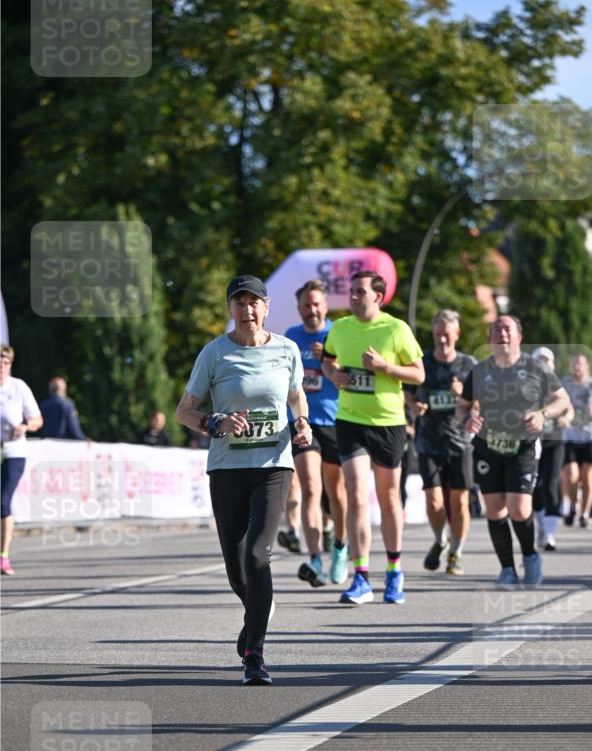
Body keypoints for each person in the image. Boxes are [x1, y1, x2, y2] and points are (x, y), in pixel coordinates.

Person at [175, 275, 311, 685]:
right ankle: (258, 607)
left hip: (273, 464)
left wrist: (302, 423)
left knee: (257, 557)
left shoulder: (287, 349)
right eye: (239, 303)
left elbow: (296, 395)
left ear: (266, 307)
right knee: (237, 571)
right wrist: (214, 422)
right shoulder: (214, 353)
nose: (247, 310)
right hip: (227, 468)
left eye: (254, 302)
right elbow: (185, 410)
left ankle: (255, 654)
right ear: (230, 309)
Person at [321, 270, 424, 605]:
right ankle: (361, 577)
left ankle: (394, 571)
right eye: (351, 291)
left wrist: (385, 367)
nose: (353, 296)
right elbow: (327, 360)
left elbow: (418, 372)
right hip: (350, 420)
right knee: (356, 497)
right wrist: (334, 374)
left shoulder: (395, 329)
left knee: (389, 498)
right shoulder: (341, 327)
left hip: (389, 422)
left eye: (360, 291)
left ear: (378, 297)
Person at [456, 315, 570, 588]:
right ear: (490, 338)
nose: (502, 334)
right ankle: (507, 568)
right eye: (496, 330)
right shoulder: (480, 371)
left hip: (523, 447)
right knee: (495, 510)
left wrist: (543, 415)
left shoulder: (536, 368)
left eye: (507, 329)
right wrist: (466, 420)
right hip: (488, 447)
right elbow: (462, 405)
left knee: (519, 508)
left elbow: (562, 400)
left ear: (519, 336)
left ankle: (530, 556)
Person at [285, 279, 348, 587]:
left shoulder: (339, 334)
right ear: (299, 308)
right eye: (306, 305)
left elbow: (350, 379)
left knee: (336, 493)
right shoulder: (291, 338)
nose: (312, 310)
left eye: (317, 304)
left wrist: (329, 361)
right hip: (302, 422)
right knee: (311, 487)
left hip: (335, 422)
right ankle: (314, 560)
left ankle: (339, 548)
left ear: (325, 306)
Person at [405, 309, 476, 576]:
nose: (442, 340)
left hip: (460, 443)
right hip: (428, 442)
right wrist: (414, 406)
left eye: (446, 334)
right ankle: (439, 540)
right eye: (437, 335)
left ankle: (456, 551)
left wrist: (464, 396)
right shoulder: (422, 362)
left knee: (459, 503)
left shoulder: (468, 365)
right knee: (434, 501)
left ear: (456, 334)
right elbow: (406, 392)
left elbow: (482, 404)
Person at [0, 344, 43, 575]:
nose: (1, 365)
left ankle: (3, 556)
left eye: (5, 361)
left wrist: (25, 427)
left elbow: (37, 419)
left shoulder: (19, 387)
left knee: (3, 501)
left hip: (13, 452)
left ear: (11, 364)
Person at [560, 353, 592, 528]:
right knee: (571, 475)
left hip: (590, 437)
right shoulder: (564, 385)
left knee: (589, 475)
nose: (577, 367)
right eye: (574, 363)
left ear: (586, 366)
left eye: (580, 364)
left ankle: (585, 512)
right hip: (570, 436)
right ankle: (574, 506)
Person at [531, 347, 573, 552]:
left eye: (547, 361)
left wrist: (566, 418)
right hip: (533, 443)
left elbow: (569, 408)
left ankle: (550, 534)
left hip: (554, 442)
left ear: (553, 364)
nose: (543, 364)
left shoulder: (558, 386)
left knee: (551, 484)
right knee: (536, 487)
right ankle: (541, 525)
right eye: (539, 360)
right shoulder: (527, 386)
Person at [39, 376, 86, 440]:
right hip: (63, 444)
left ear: (50, 390)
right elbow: (73, 428)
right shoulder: (68, 404)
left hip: (47, 443)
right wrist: (83, 439)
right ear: (64, 390)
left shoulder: (44, 405)